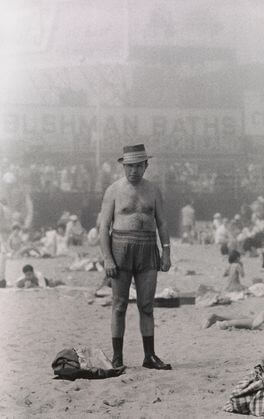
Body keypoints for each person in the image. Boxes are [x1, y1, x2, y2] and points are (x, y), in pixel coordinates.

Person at [100, 144, 172, 370]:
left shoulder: (153, 190)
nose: (133, 171)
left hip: (148, 248)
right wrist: (108, 258)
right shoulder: (113, 190)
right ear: (123, 165)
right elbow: (104, 227)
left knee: (147, 305)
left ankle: (149, 356)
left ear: (145, 166)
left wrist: (167, 250)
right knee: (119, 305)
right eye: (129, 166)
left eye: (138, 166)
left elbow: (161, 222)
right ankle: (117, 357)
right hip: (121, 248)